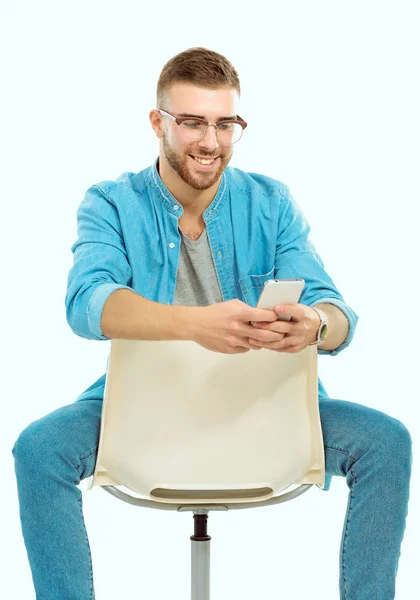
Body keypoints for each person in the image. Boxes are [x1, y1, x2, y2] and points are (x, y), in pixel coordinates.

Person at [12, 47, 412, 600]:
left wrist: (314, 326)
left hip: (264, 406)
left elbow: (337, 314)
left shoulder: (270, 202)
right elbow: (87, 304)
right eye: (193, 122)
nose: (210, 141)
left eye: (225, 124)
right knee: (39, 448)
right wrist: (194, 324)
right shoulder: (111, 203)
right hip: (141, 408)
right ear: (158, 123)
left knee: (386, 440)